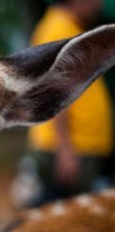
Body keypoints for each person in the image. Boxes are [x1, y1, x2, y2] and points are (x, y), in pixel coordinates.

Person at [26, 0, 112, 205]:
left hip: (76, 147)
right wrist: (65, 150)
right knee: (64, 220)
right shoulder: (59, 28)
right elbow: (55, 92)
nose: (99, 4)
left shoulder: (69, 26)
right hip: (67, 150)